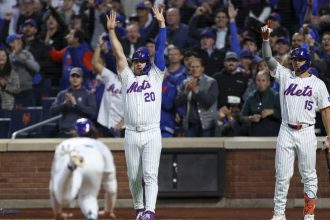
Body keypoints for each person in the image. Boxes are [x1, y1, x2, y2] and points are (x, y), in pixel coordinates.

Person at [261, 20, 330, 220]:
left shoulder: (318, 84)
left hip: (307, 131)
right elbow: (268, 57)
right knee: (282, 176)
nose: (295, 63)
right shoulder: (285, 76)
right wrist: (266, 41)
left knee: (309, 175)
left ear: (307, 61)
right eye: (293, 60)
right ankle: (278, 214)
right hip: (286, 130)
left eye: (299, 60)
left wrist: (329, 136)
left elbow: (326, 111)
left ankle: (309, 215)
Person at [106, 5, 166, 220]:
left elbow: (159, 50)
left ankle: (150, 212)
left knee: (150, 174)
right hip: (131, 132)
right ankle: (139, 208)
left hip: (151, 132)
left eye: (141, 61)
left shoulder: (156, 76)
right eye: (136, 61)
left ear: (147, 63)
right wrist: (112, 31)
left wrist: (162, 24)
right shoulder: (127, 78)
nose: (138, 64)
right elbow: (119, 54)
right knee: (133, 176)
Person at [49, 118, 117, 220]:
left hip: (70, 165)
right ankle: (91, 215)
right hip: (94, 163)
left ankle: (71, 167)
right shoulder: (101, 146)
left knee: (58, 189)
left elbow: (54, 182)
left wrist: (57, 212)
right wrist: (109, 210)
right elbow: (111, 188)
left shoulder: (64, 144)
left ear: (74, 132)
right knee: (88, 197)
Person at [175, 57, 218, 137]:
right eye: (192, 67)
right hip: (190, 126)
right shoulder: (184, 83)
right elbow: (177, 102)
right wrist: (186, 92)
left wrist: (196, 90)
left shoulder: (211, 82)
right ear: (189, 69)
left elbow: (209, 101)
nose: (194, 69)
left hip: (207, 126)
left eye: (197, 67)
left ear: (202, 68)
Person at [49, 67, 97, 137]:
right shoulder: (62, 94)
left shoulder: (88, 94)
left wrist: (75, 104)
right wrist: (64, 104)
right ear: (70, 78)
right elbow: (52, 111)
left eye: (78, 76)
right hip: (65, 131)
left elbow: (93, 112)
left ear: (82, 79)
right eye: (73, 76)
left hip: (82, 132)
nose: (75, 78)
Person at [92, 35, 124, 138]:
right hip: (105, 122)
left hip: (122, 126)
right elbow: (95, 63)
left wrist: (121, 123)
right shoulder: (111, 76)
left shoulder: (133, 84)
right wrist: (99, 46)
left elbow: (133, 108)